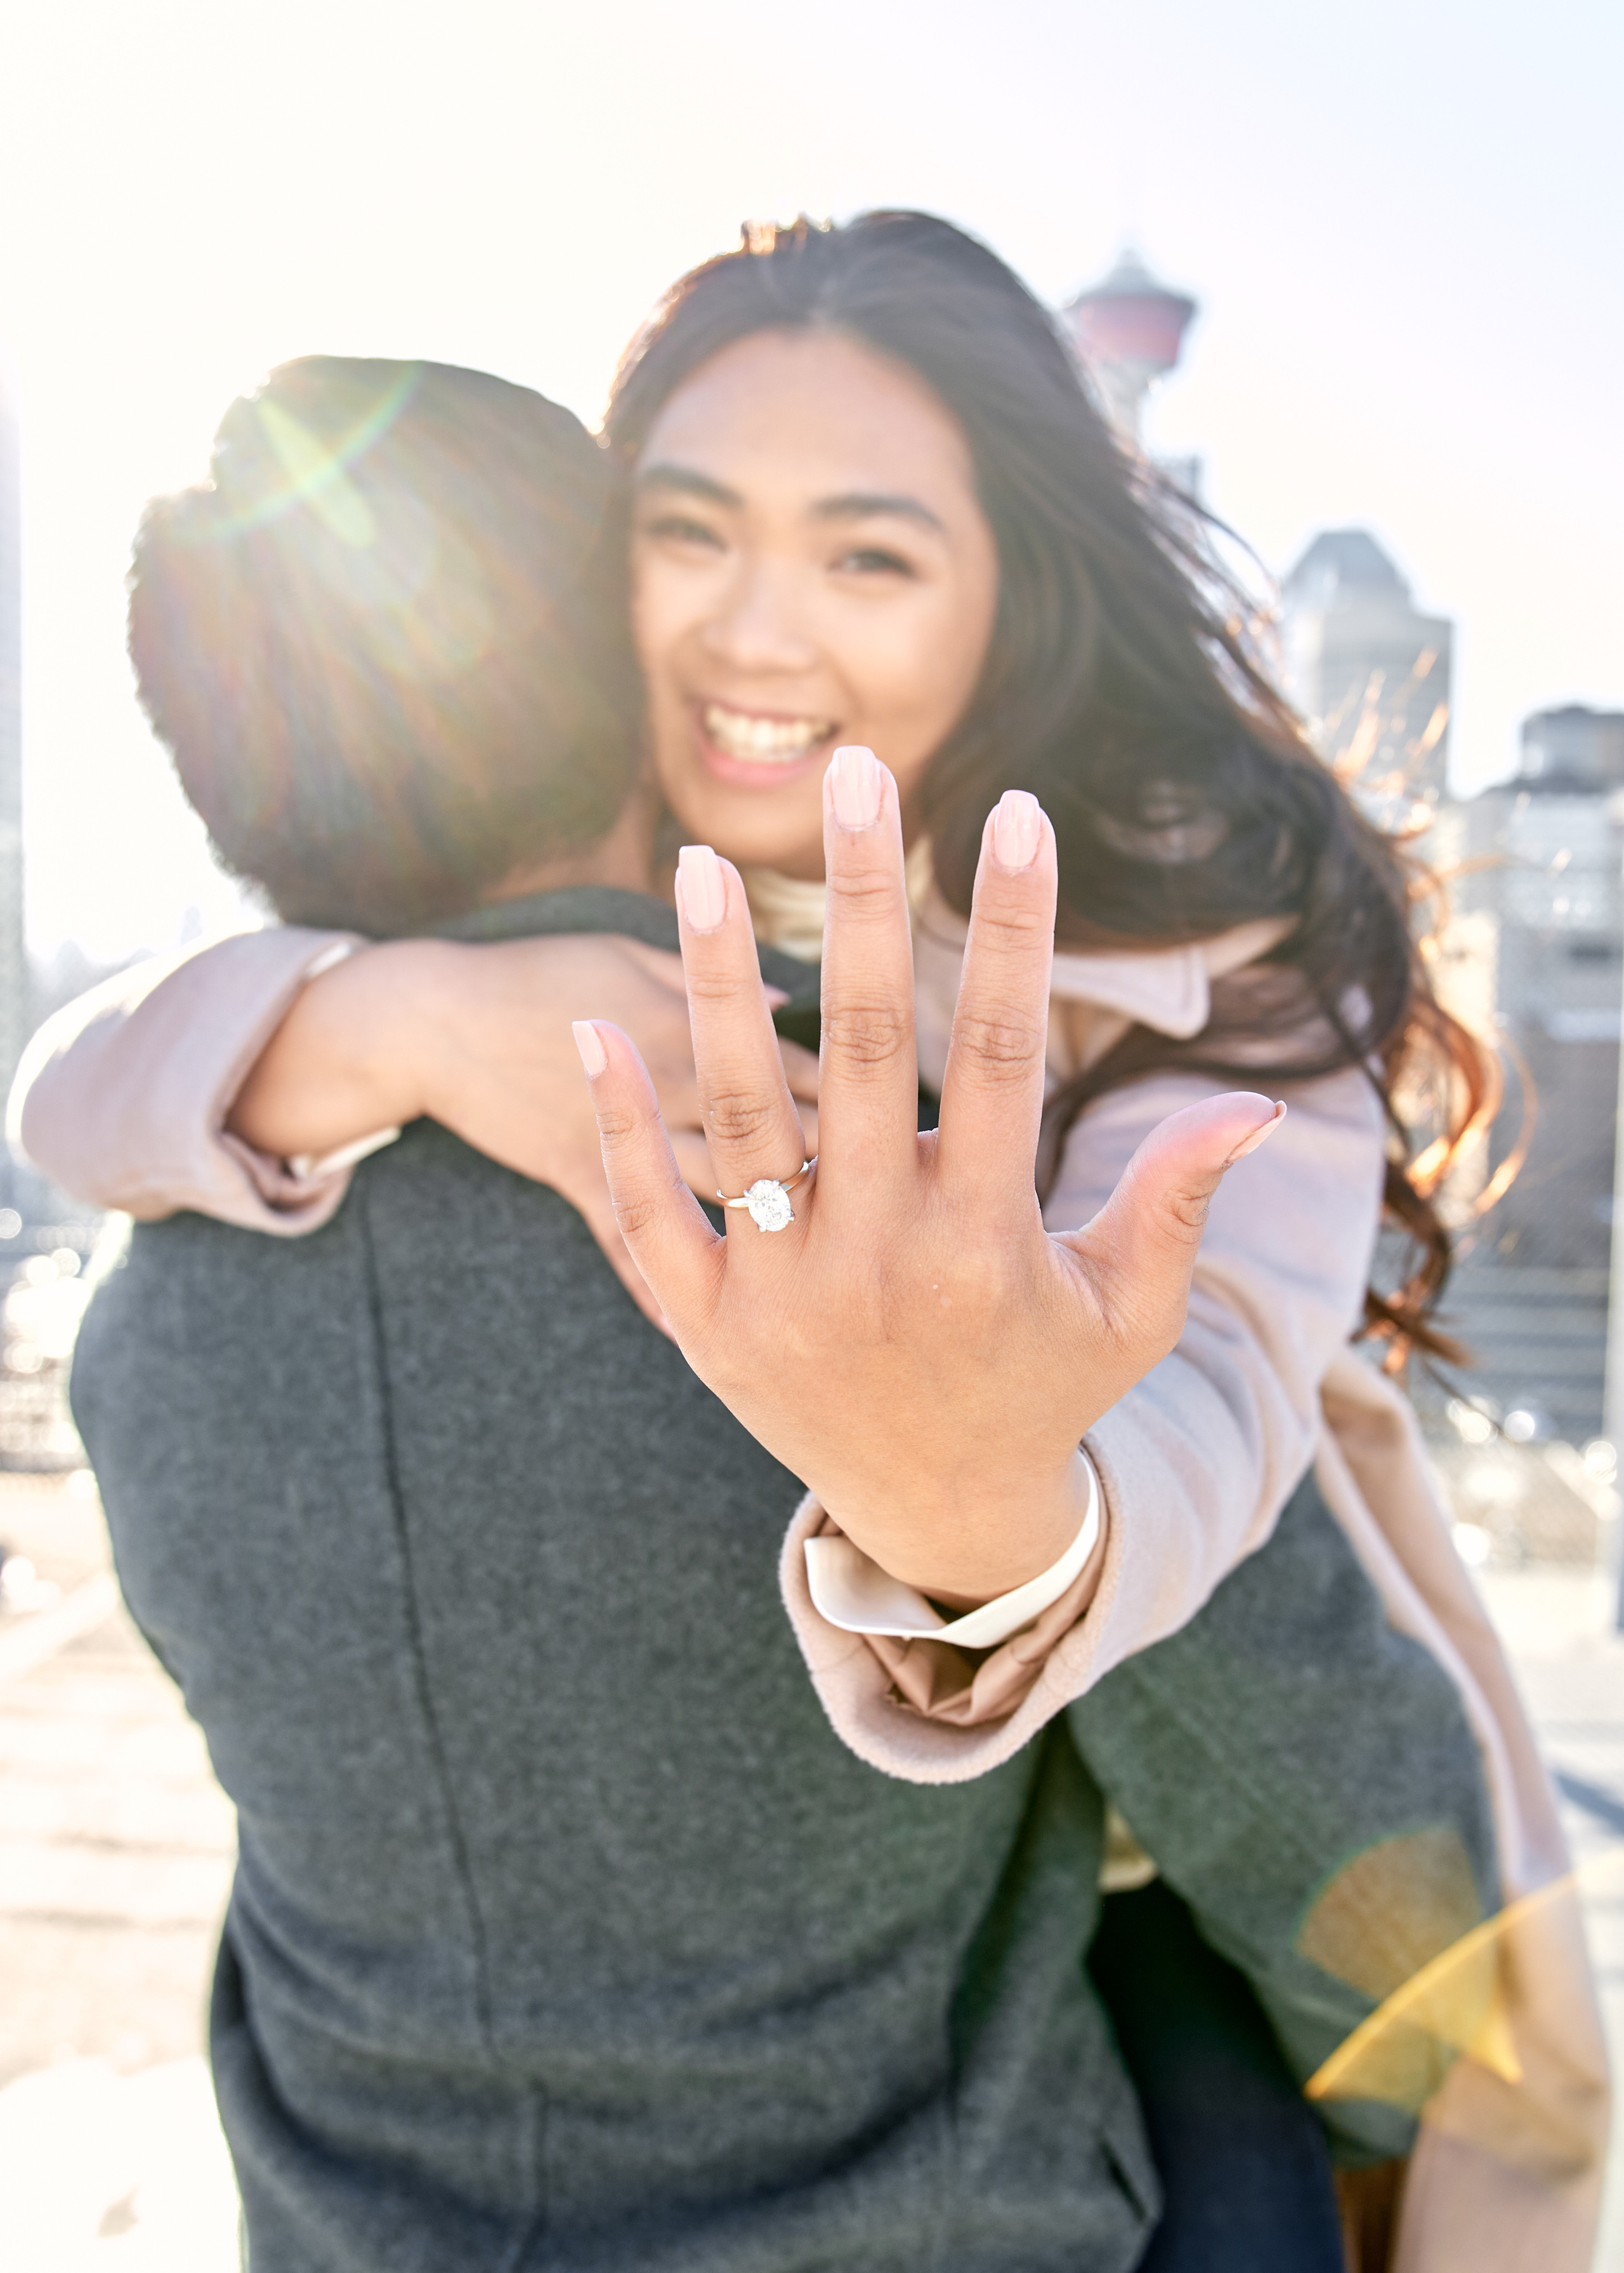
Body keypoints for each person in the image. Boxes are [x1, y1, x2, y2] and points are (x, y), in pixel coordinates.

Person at [17, 219, 1606, 2265]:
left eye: (865, 555)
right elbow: (1362, 1887)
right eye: (688, 540)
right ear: (604, 631)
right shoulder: (913, 1239)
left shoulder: (153, 1318)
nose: (757, 634)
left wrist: (385, 1018)